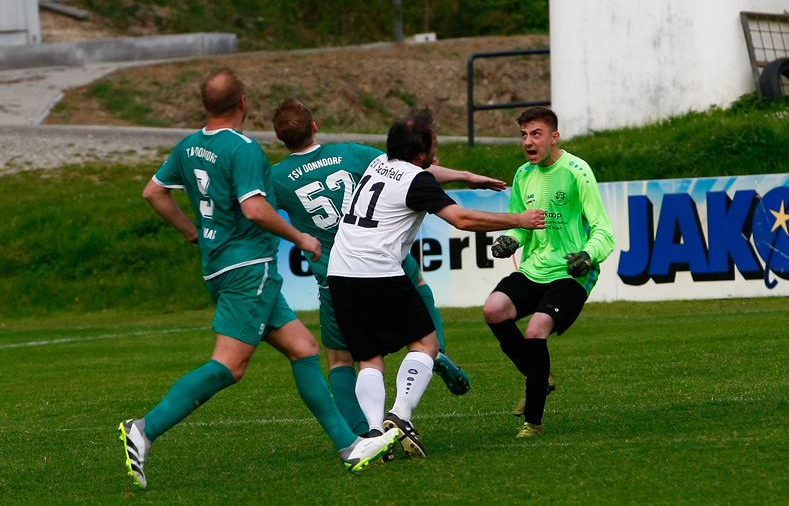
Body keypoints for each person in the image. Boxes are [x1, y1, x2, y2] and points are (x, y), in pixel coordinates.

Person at [117, 69, 400, 489]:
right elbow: (254, 209)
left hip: (221, 266)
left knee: (304, 349)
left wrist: (192, 232)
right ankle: (143, 429)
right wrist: (300, 236)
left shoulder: (189, 145)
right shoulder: (244, 148)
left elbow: (154, 193)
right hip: (248, 268)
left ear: (205, 105)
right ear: (243, 103)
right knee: (229, 367)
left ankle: (350, 446)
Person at [270, 97, 505, 436]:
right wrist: (465, 176)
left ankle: (363, 432)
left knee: (342, 360)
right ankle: (434, 352)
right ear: (315, 126)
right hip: (388, 256)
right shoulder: (350, 153)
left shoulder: (276, 177)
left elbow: (255, 209)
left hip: (337, 273)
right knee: (420, 289)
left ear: (280, 139)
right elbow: (409, 169)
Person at [327, 107, 546, 459]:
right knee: (426, 343)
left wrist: (465, 176)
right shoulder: (416, 180)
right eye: (433, 146)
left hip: (340, 271)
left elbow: (423, 175)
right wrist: (517, 219)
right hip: (378, 271)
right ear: (420, 153)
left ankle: (373, 434)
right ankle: (400, 417)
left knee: (369, 358)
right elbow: (460, 218)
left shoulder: (378, 164)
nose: (436, 152)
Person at [484, 106, 615, 438]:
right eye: (524, 135)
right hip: (534, 268)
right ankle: (538, 376)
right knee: (494, 309)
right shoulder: (523, 175)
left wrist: (588, 254)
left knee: (535, 329)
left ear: (554, 137)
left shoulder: (576, 171)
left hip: (572, 272)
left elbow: (604, 230)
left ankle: (533, 422)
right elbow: (521, 226)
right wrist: (508, 241)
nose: (529, 142)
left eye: (536, 134)